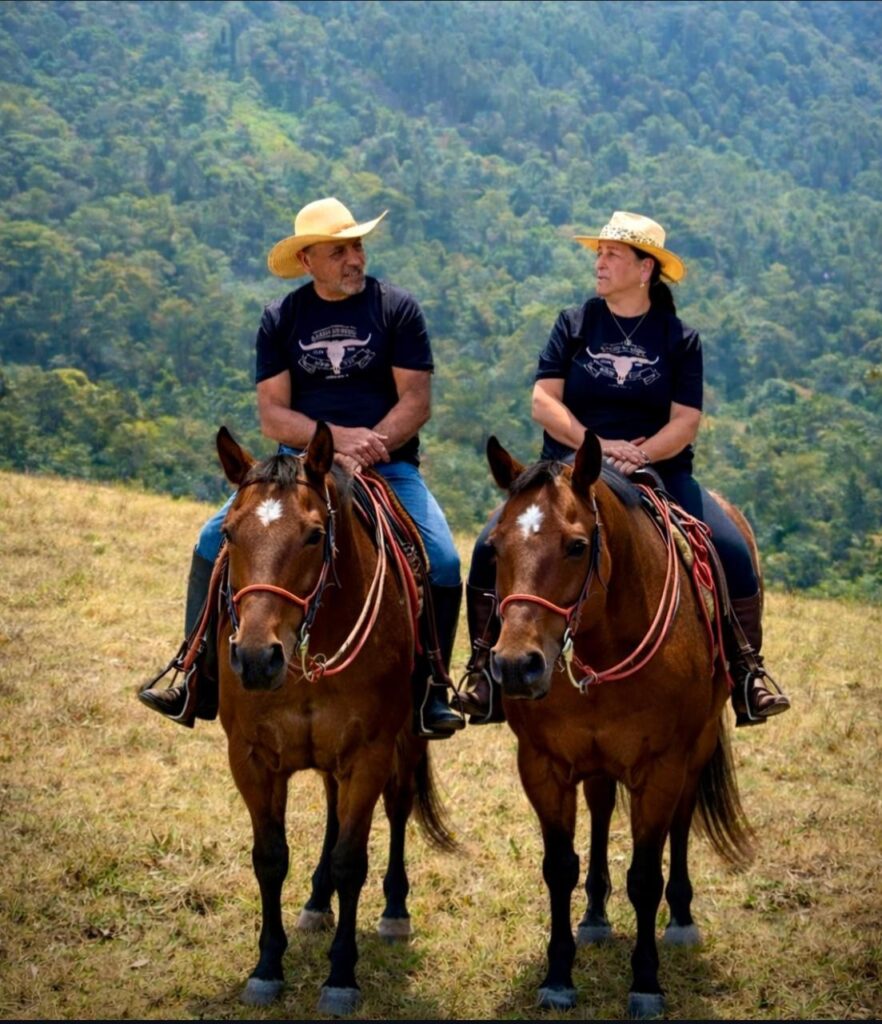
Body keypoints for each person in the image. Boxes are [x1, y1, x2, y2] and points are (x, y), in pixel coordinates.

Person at [139, 197, 464, 738]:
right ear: (308, 259)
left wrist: (369, 446)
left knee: (445, 560)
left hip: (386, 465)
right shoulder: (282, 317)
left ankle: (432, 688)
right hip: (296, 469)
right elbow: (272, 413)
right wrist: (332, 445)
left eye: (357, 247)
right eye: (339, 251)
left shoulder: (396, 309)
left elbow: (416, 400)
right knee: (208, 539)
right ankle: (196, 674)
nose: (354, 259)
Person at [458, 210, 791, 728]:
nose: (600, 262)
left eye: (613, 254)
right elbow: (544, 400)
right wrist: (597, 444)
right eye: (600, 253)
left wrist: (640, 453)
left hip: (658, 470)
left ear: (645, 270)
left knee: (729, 549)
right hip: (570, 468)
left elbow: (686, 421)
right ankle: (483, 670)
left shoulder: (680, 338)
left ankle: (747, 673)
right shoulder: (574, 323)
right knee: (488, 545)